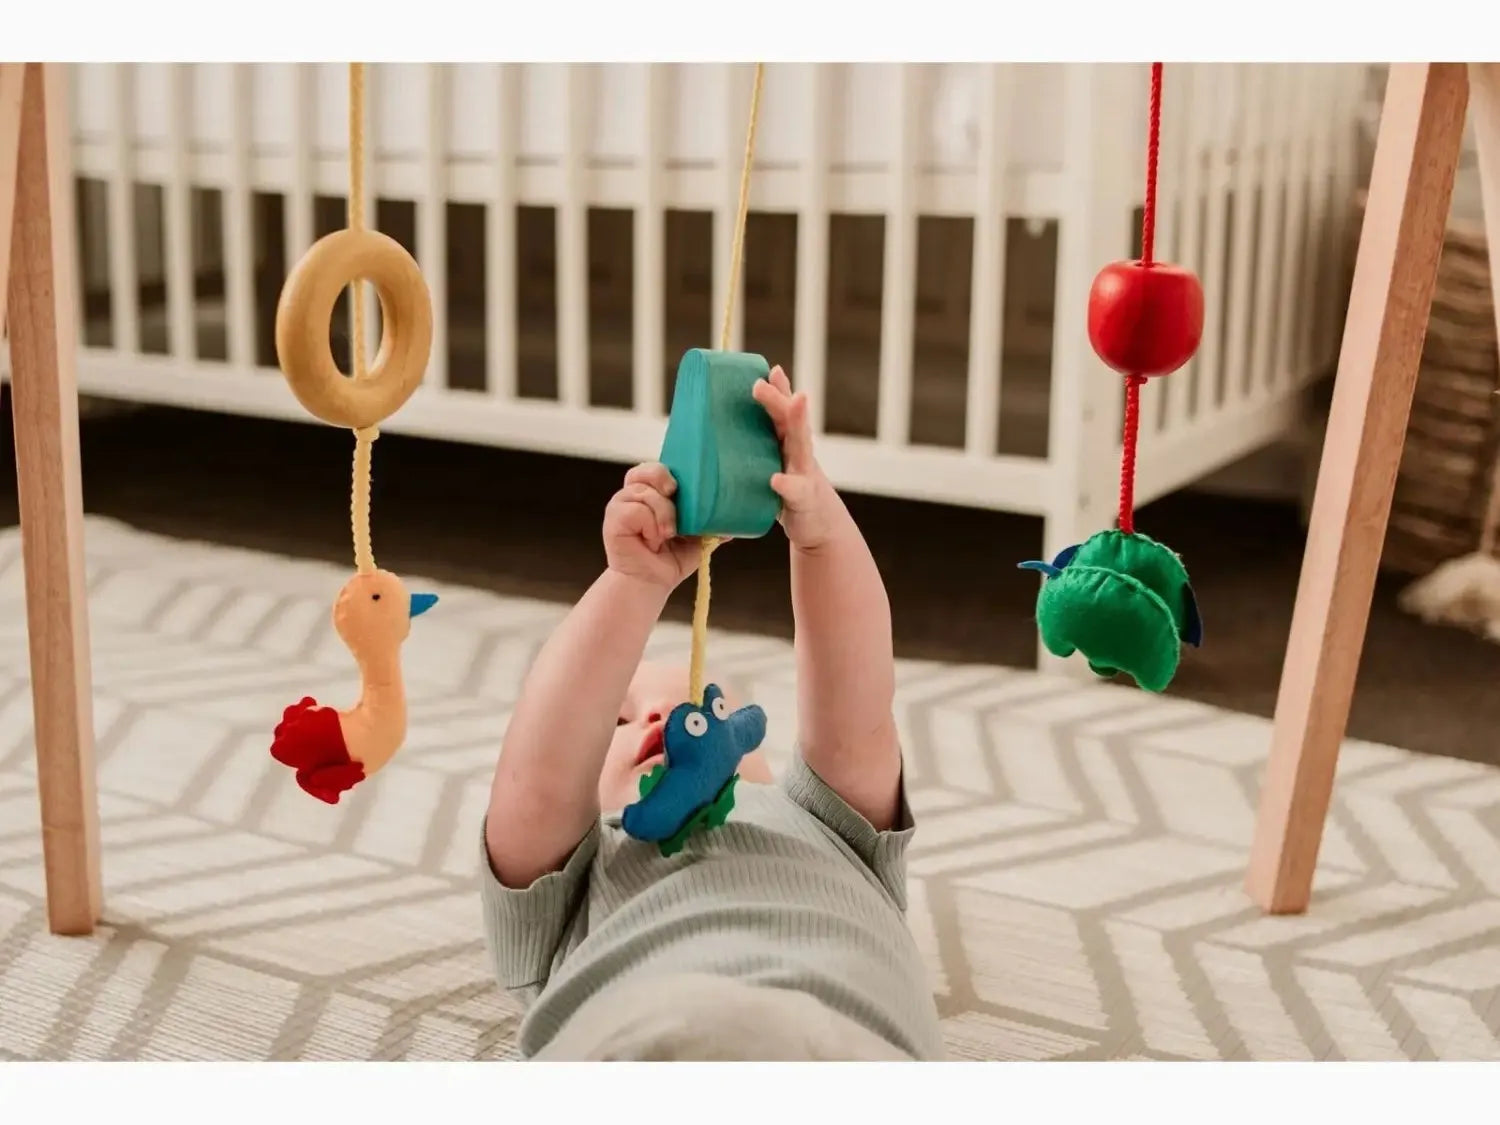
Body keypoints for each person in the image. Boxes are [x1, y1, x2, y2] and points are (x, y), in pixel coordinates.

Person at [479, 366, 944, 1061]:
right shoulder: (571, 885)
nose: (662, 718)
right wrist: (631, 584)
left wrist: (822, 533)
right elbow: (538, 778)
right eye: (616, 719)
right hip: (648, 1031)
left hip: (842, 1039)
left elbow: (857, 705)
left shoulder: (828, 826)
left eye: (702, 704)